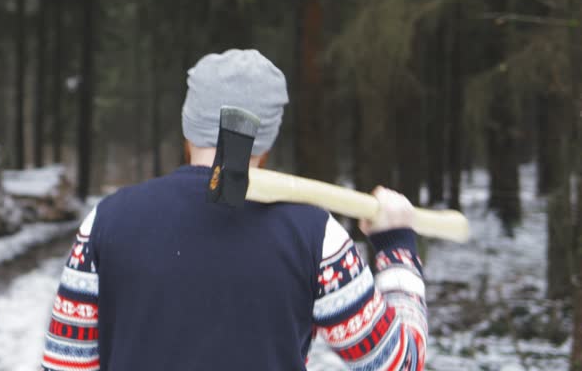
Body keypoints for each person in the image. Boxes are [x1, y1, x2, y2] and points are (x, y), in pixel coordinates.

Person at [41, 49, 427, 370]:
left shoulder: (107, 221)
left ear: (188, 126)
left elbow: (62, 365)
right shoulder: (316, 237)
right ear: (268, 138)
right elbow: (402, 365)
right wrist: (396, 248)